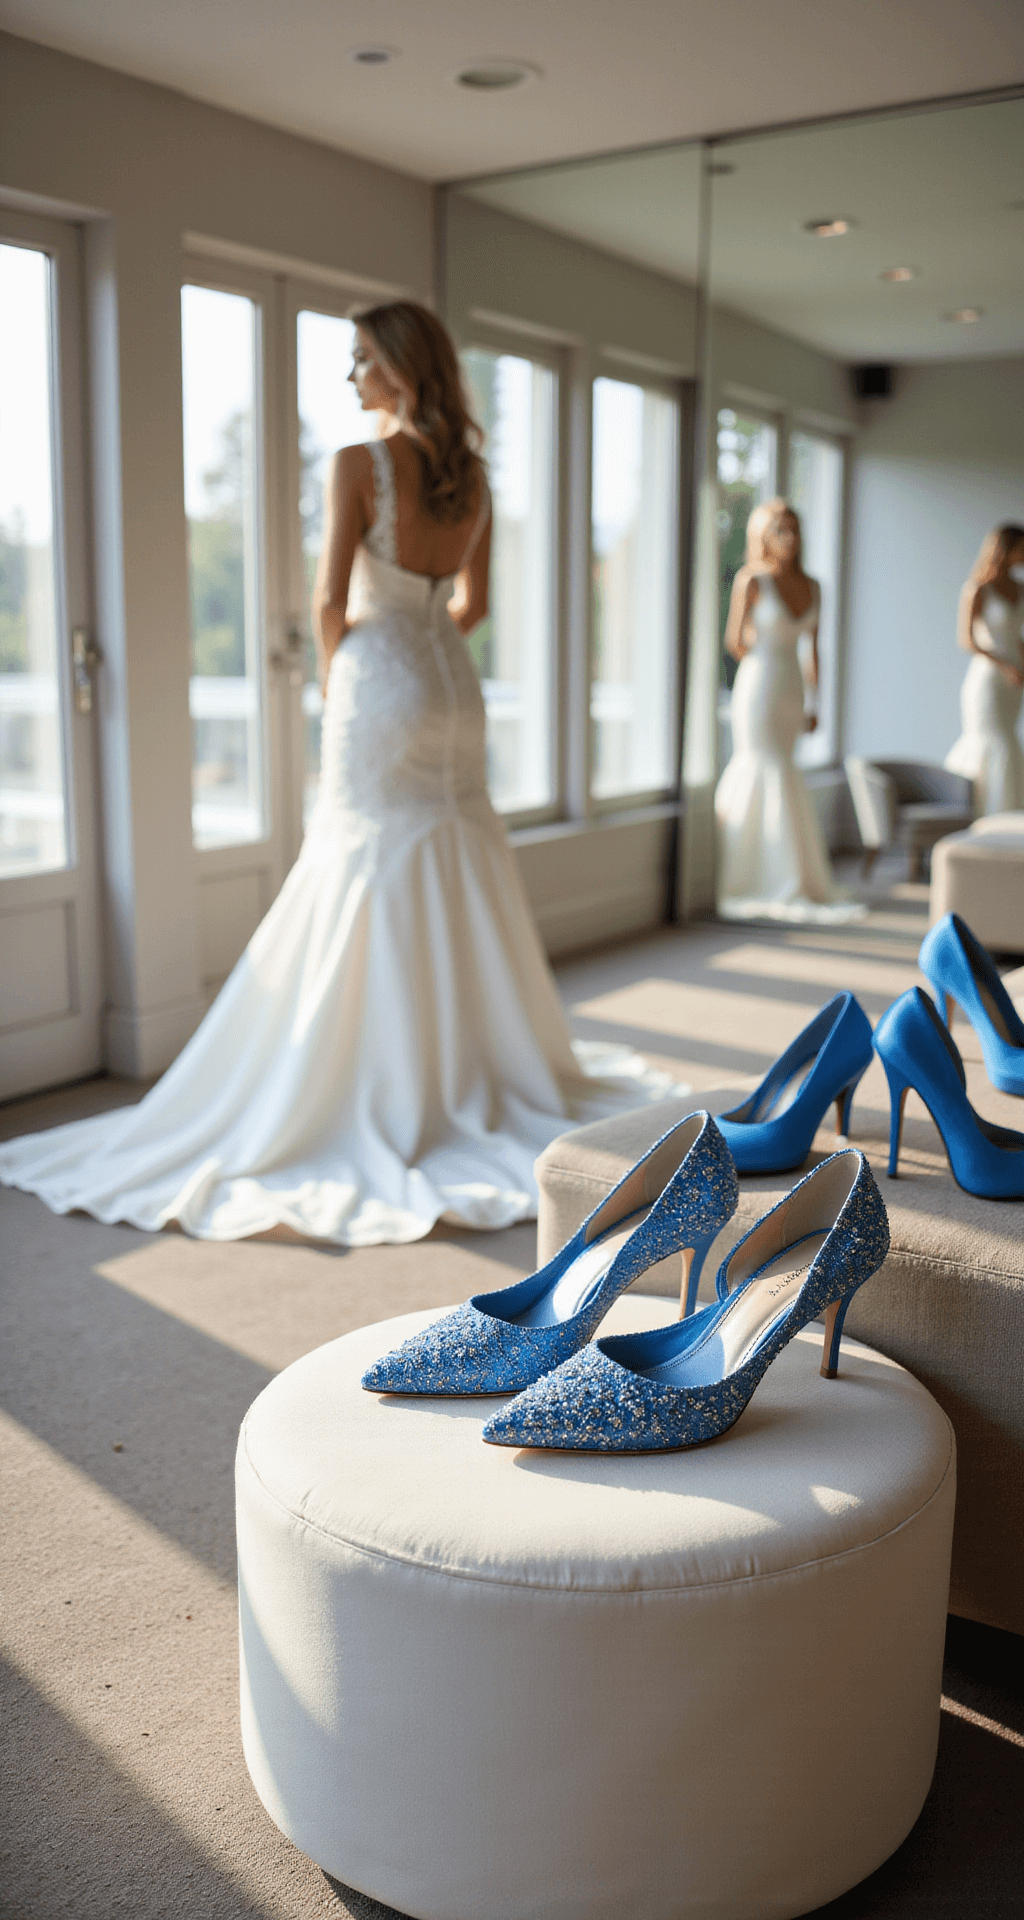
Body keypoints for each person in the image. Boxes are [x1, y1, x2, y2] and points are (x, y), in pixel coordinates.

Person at [0, 302, 674, 1245]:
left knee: (361, 860)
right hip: (449, 676)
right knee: (457, 854)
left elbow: (326, 598)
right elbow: (470, 604)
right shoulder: (471, 473)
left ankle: (375, 1077)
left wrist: (343, 677)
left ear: (400, 370)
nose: (349, 377)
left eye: (360, 361)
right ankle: (471, 1065)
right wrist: (423, 640)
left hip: (380, 676)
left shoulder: (360, 463)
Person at [715, 498, 863, 924]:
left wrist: (816, 701)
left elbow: (816, 650)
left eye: (795, 529)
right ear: (763, 535)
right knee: (761, 768)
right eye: (780, 529)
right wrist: (764, 651)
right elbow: (734, 642)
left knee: (786, 770)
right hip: (760, 681)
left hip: (792, 687)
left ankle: (793, 874)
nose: (790, 538)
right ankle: (753, 876)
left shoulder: (814, 586)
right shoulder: (751, 580)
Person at [945, 522, 1024, 815]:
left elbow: (1016, 636)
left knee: (1009, 742)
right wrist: (1005, 666)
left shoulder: (1020, 589)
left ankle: (1010, 820)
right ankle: (976, 815)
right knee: (993, 742)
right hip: (988, 680)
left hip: (1014, 682)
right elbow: (967, 640)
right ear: (1006, 550)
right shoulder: (978, 589)